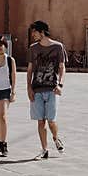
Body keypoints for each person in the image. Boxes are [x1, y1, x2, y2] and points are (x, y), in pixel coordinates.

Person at [27, 20, 67, 159]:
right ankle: (44, 149)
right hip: (37, 89)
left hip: (52, 89)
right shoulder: (33, 48)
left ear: (42, 32)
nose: (32, 35)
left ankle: (56, 138)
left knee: (51, 120)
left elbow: (62, 67)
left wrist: (60, 84)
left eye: (34, 32)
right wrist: (29, 88)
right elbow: (30, 70)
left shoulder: (58, 47)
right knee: (40, 121)